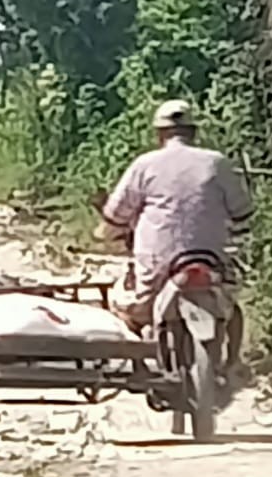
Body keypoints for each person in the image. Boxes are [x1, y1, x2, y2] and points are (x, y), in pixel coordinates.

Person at [98, 99, 254, 385]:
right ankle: (232, 363)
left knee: (130, 312)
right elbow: (242, 210)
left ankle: (141, 366)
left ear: (159, 134)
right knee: (231, 307)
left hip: (158, 262)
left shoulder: (145, 164)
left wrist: (105, 233)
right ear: (193, 132)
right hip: (210, 259)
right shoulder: (217, 163)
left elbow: (117, 213)